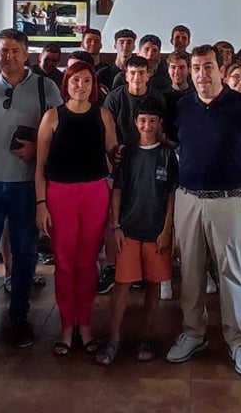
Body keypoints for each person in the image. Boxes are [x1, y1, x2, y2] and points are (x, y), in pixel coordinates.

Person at [166, 44, 241, 376]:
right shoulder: (183, 106)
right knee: (191, 273)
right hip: (188, 199)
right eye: (196, 67)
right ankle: (192, 333)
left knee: (231, 273)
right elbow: (175, 143)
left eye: (208, 67)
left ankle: (236, 339)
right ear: (190, 70)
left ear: (220, 68)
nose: (202, 73)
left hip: (230, 201)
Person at [0, 29, 63, 352]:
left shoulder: (46, 87)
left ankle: (19, 316)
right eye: (3, 50)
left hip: (26, 185)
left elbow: (59, 132)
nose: (9, 56)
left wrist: (37, 149)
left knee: (24, 253)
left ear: (26, 54)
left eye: (15, 50)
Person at [35, 59, 118, 355]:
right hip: (60, 194)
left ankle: (85, 323)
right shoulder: (52, 117)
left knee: (87, 262)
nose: (80, 86)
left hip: (95, 192)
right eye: (75, 81)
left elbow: (113, 155)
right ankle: (66, 325)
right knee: (65, 262)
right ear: (66, 84)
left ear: (93, 86)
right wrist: (41, 202)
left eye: (86, 81)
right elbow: (40, 165)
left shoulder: (104, 115)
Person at [97, 99, 177, 365]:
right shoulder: (127, 154)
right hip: (128, 230)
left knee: (153, 286)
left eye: (153, 121)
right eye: (143, 120)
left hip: (156, 233)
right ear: (135, 123)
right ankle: (114, 339)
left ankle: (147, 337)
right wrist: (116, 225)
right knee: (122, 286)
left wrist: (167, 230)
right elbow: (117, 191)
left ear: (160, 124)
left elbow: (171, 197)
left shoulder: (167, 155)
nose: (147, 125)